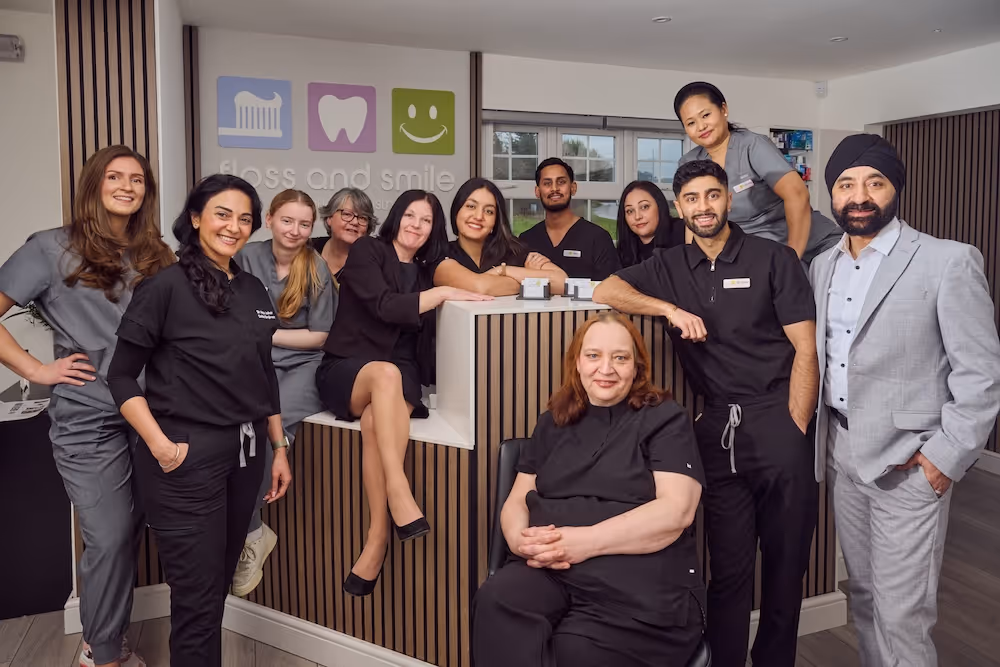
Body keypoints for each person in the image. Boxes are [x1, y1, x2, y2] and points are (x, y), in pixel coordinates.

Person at [594, 160, 820, 667]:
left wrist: (796, 429)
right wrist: (669, 310)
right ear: (680, 207)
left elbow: (806, 350)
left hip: (778, 419)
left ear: (728, 199)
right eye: (692, 199)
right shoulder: (670, 266)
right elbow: (605, 290)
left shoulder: (774, 259)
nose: (704, 207)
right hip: (717, 430)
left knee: (785, 572)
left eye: (712, 195)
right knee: (727, 571)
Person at [812, 134, 1000, 667]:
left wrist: (945, 459)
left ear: (896, 189)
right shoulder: (823, 265)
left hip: (910, 462)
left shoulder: (948, 261)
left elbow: (982, 372)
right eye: (846, 185)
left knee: (903, 613)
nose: (859, 196)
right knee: (866, 600)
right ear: (832, 195)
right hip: (844, 454)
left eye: (874, 183)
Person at [107, 174, 293, 667]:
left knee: (215, 594)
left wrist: (278, 448)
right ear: (195, 218)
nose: (234, 226)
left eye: (245, 218)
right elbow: (121, 377)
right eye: (222, 214)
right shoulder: (163, 287)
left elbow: (263, 373)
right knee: (195, 600)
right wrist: (162, 447)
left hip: (247, 452)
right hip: (185, 457)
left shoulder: (252, 287)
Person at [0, 145, 173, 667]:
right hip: (90, 420)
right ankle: (103, 653)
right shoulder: (50, 248)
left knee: (136, 532)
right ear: (93, 184)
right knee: (111, 534)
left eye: (138, 179)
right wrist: (36, 370)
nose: (127, 186)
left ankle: (106, 638)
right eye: (115, 176)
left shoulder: (157, 254)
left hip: (152, 416)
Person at [473, 311, 706, 667]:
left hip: (635, 583)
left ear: (637, 367)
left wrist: (582, 542)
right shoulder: (553, 420)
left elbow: (677, 512)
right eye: (594, 355)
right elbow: (518, 498)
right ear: (577, 363)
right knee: (498, 600)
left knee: (573, 653)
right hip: (550, 569)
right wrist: (521, 540)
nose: (606, 368)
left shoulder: (665, 418)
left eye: (620, 357)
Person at [315, 190, 489, 597]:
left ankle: (377, 537)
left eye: (426, 220)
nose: (416, 225)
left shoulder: (431, 270)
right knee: (384, 376)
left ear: (433, 230)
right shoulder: (368, 252)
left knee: (382, 410)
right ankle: (399, 490)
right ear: (396, 217)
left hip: (402, 377)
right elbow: (385, 306)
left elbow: (484, 282)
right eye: (410, 215)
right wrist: (442, 294)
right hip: (348, 369)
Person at [232, 189, 335, 597]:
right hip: (249, 366)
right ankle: (246, 527)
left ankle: (251, 532)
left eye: (304, 224)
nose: (295, 230)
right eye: (287, 220)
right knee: (231, 434)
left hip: (302, 369)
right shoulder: (243, 257)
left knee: (265, 434)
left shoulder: (317, 268)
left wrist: (266, 334)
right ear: (270, 219)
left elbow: (321, 335)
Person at [674, 81, 840, 264]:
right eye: (691, 123)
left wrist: (791, 259)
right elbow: (693, 221)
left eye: (706, 115)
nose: (701, 126)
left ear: (723, 109)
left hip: (810, 245)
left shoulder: (752, 146)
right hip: (758, 253)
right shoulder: (690, 162)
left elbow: (797, 195)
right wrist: (693, 263)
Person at [433, 177, 567, 295]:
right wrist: (530, 279)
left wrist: (504, 270)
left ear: (496, 220)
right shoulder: (441, 254)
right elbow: (480, 287)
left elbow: (562, 282)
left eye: (489, 211)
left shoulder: (513, 250)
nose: (479, 216)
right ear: (457, 211)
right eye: (471, 206)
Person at [519, 158, 621, 281]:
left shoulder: (598, 238)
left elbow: (608, 290)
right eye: (547, 183)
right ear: (537, 191)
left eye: (561, 182)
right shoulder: (526, 240)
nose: (554, 188)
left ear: (573, 188)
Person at [311, 187, 377, 285]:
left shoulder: (375, 261)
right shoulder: (308, 249)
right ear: (329, 217)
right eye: (347, 214)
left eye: (362, 218)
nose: (355, 222)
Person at [616, 180, 685, 267]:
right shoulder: (625, 249)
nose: (637, 217)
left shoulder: (682, 231)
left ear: (660, 206)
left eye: (644, 207)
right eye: (630, 211)